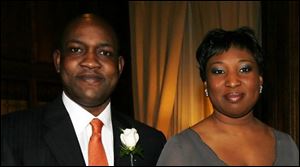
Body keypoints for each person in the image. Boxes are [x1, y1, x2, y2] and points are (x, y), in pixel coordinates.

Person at [1, 13, 166, 166]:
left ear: (120, 66)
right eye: (76, 50)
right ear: (58, 61)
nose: (91, 62)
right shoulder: (11, 134)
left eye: (105, 52)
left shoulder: (151, 142)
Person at [157, 27, 299, 166]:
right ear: (206, 84)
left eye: (244, 69)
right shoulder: (182, 149)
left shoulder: (287, 146)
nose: (232, 82)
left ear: (260, 80)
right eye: (219, 71)